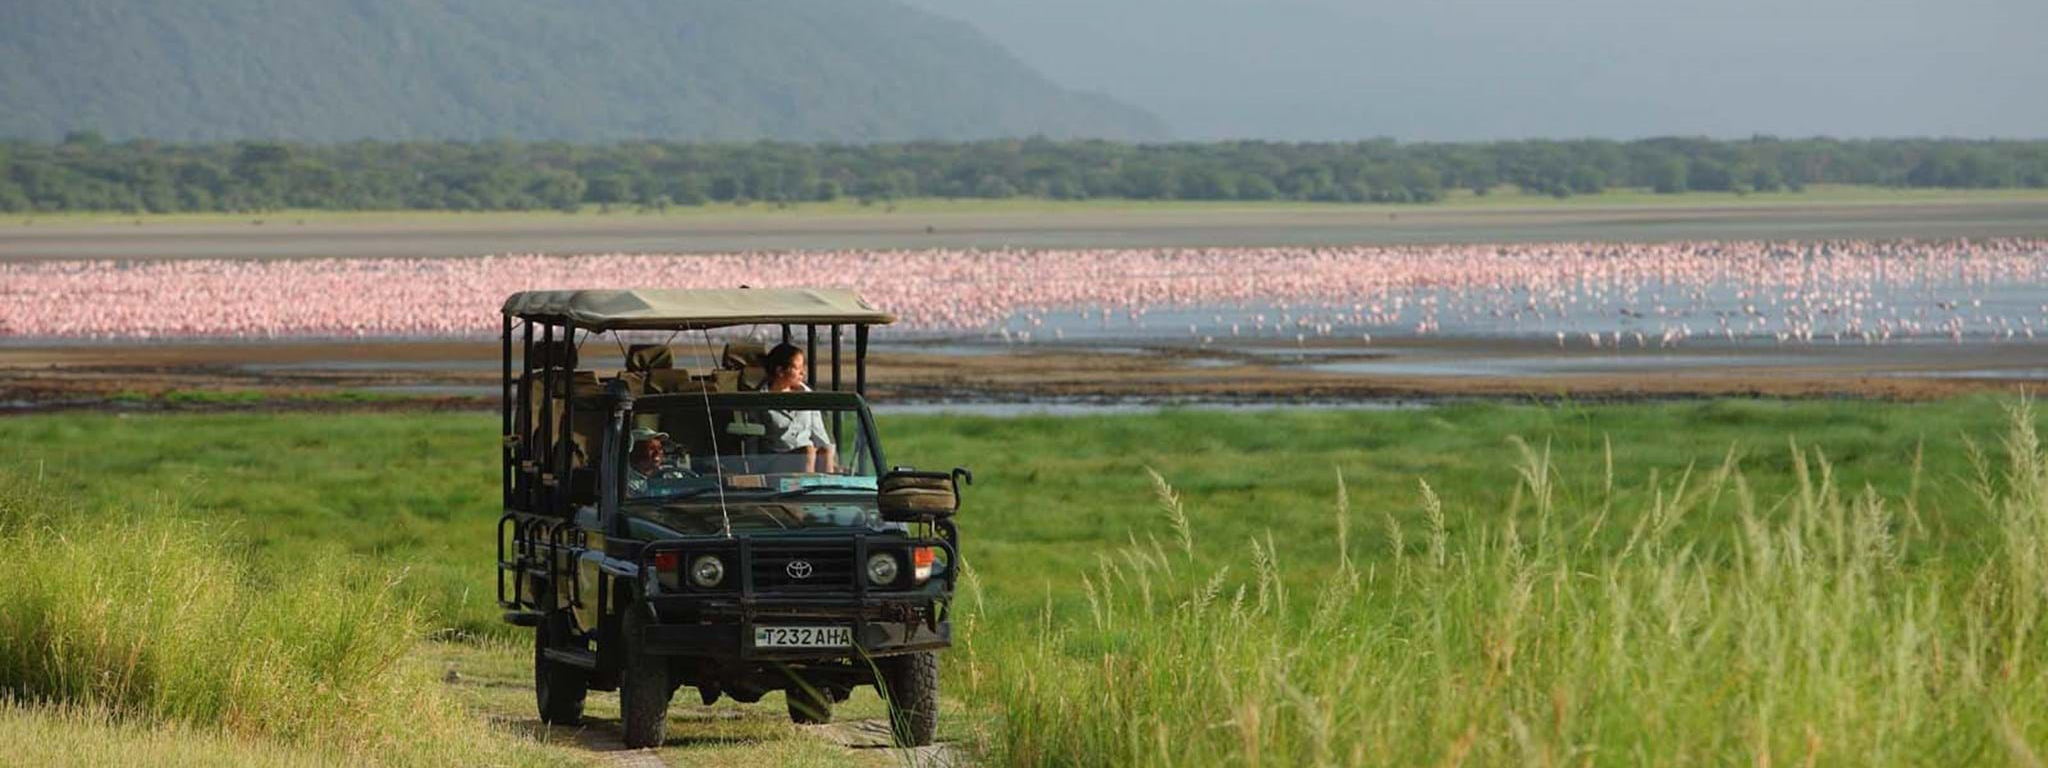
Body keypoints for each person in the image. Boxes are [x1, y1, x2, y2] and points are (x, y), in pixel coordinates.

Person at [758, 343, 836, 473]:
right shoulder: (760, 399)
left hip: (808, 454)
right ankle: (805, 490)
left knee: (825, 451)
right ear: (780, 371)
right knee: (807, 452)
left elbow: (819, 434)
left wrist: (830, 458)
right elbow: (752, 439)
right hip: (776, 458)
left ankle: (829, 490)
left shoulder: (807, 396)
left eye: (802, 367)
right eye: (797, 368)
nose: (802, 372)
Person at [625, 427, 669, 497]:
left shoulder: (669, 474)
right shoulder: (625, 481)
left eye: (660, 448)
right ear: (635, 451)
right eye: (651, 448)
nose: (657, 452)